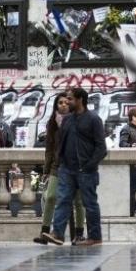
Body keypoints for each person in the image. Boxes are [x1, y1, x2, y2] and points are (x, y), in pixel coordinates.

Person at [39, 87, 107, 246]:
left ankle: (95, 237)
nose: (67, 102)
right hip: (66, 170)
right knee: (62, 200)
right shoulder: (67, 120)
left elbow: (101, 148)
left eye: (70, 99)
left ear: (80, 100)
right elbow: (60, 144)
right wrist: (60, 163)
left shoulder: (93, 119)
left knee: (89, 204)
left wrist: (89, 166)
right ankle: (58, 234)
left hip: (86, 170)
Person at [33, 94, 85, 244]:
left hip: (76, 166)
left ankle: (79, 234)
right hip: (57, 166)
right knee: (50, 197)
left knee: (78, 201)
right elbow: (49, 149)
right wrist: (46, 170)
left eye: (66, 102)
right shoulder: (52, 124)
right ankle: (45, 233)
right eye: (60, 103)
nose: (63, 105)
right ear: (56, 106)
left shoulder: (78, 121)